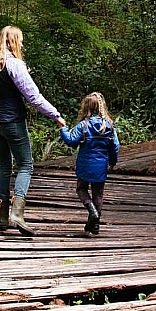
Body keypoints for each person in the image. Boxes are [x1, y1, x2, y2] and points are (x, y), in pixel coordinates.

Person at [0, 25, 66, 236]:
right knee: (26, 164)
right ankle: (17, 213)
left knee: (4, 166)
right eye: (20, 40)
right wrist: (55, 115)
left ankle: (3, 218)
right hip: (13, 122)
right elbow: (33, 96)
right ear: (13, 41)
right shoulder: (15, 65)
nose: (22, 44)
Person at [57, 92, 120, 236]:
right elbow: (115, 146)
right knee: (98, 193)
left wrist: (63, 128)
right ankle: (95, 225)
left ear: (86, 107)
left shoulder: (83, 125)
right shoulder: (109, 126)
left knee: (81, 189)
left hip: (85, 165)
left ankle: (92, 211)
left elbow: (71, 141)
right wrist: (113, 161)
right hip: (101, 166)